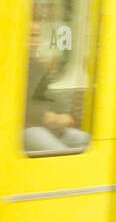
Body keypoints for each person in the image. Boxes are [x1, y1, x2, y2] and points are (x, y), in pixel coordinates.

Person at [23, 22, 90, 153]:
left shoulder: (38, 66)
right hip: (27, 129)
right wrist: (45, 116)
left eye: (36, 36)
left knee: (86, 141)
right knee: (63, 153)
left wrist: (64, 116)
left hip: (47, 126)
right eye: (30, 35)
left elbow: (49, 97)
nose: (34, 40)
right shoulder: (11, 68)